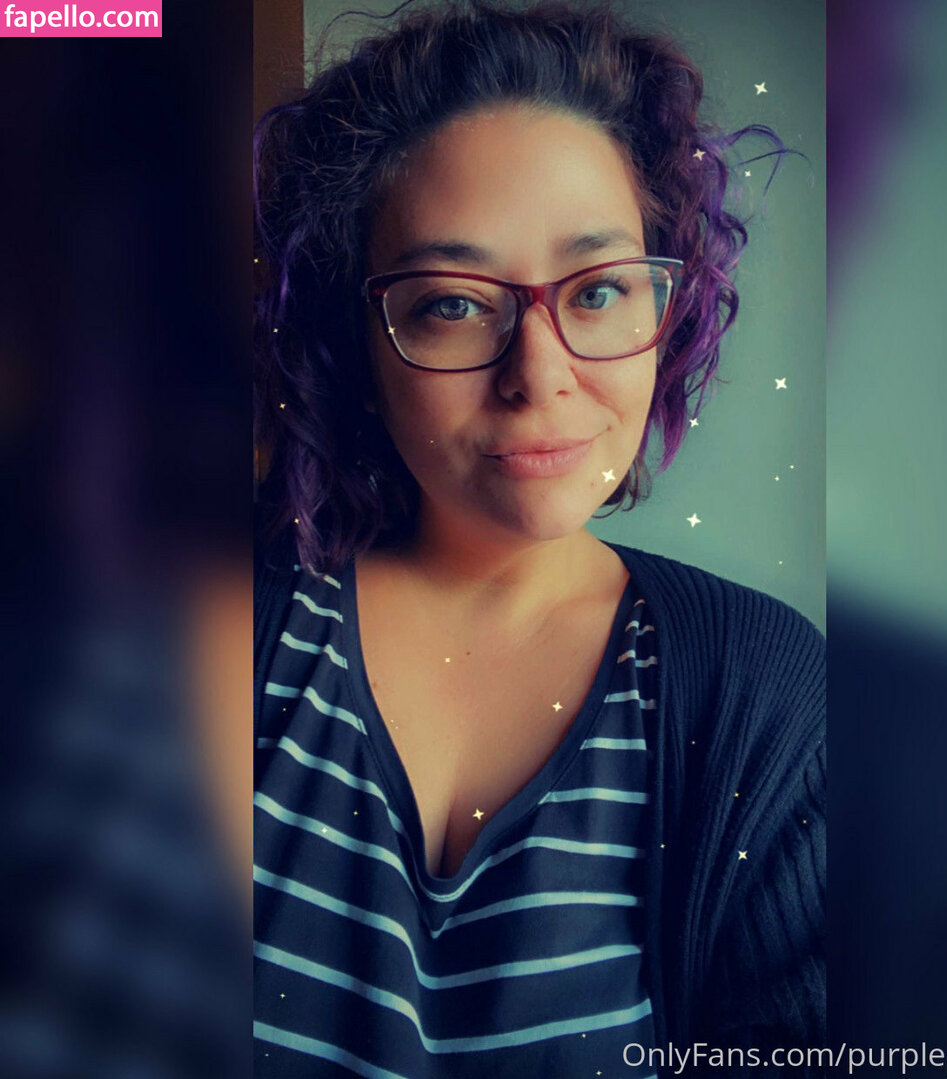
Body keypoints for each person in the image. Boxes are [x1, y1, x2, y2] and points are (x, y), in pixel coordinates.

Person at [253, 2, 824, 1075]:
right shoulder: (208, 630)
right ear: (356, 341)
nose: (540, 375)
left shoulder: (765, 696)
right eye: (453, 305)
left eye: (598, 290)